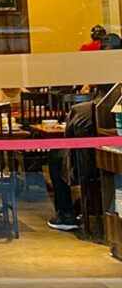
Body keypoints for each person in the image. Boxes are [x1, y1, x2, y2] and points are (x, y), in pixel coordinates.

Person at [47, 98, 97, 231]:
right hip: (107, 161)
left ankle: (66, 214)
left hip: (86, 165)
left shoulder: (81, 109)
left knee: (55, 157)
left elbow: (67, 139)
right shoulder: (111, 107)